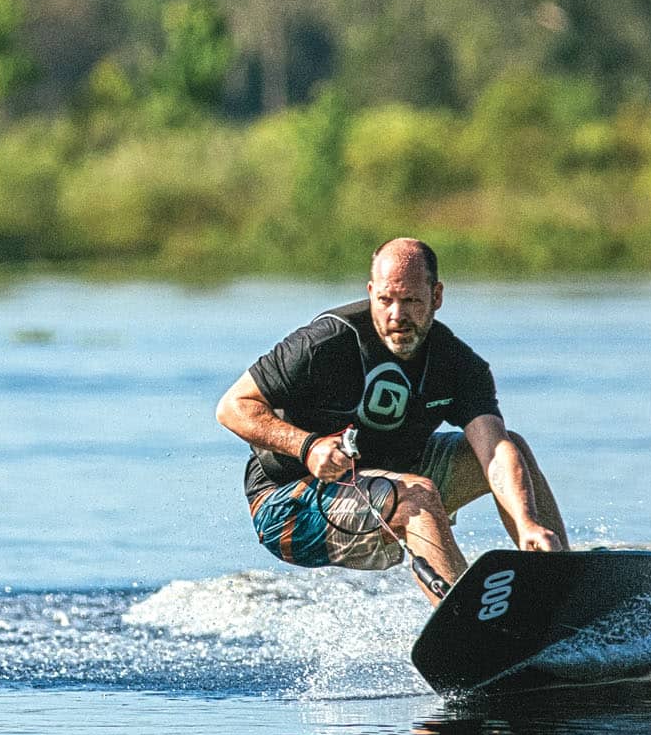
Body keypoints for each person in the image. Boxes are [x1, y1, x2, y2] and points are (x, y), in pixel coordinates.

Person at [214, 237, 567, 602]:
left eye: (411, 300)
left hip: (390, 479)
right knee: (418, 495)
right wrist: (307, 446)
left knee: (515, 449)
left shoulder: (459, 365)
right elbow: (233, 406)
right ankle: (467, 625)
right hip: (289, 503)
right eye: (385, 300)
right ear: (371, 293)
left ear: (437, 296)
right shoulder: (326, 342)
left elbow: (494, 451)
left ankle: (562, 585)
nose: (396, 315)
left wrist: (527, 522)